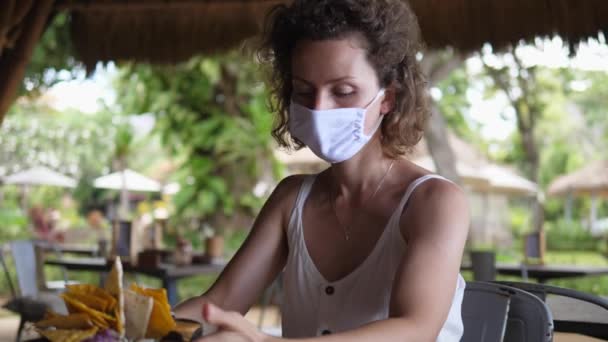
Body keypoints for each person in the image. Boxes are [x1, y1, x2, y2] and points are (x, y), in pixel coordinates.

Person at [175, 0, 470, 340]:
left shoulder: (435, 202)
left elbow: (415, 329)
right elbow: (220, 304)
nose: (319, 108)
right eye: (303, 91)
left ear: (387, 98)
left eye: (343, 91)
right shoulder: (292, 199)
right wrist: (132, 322)